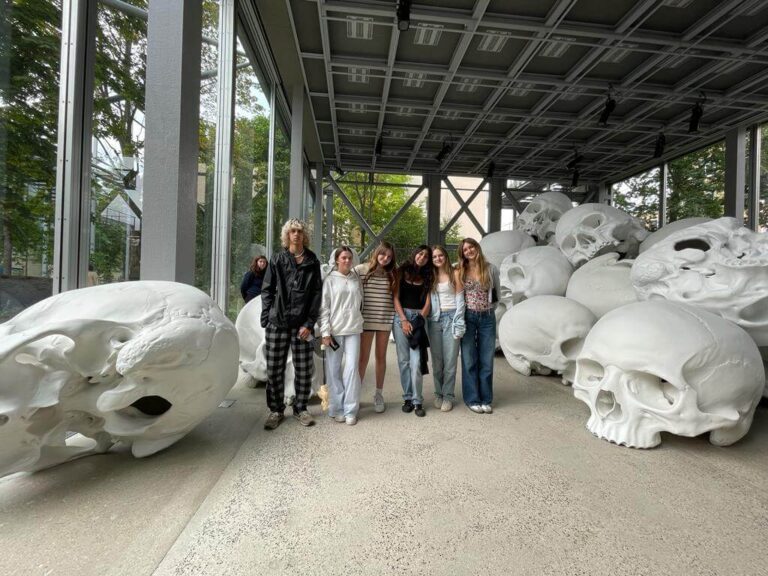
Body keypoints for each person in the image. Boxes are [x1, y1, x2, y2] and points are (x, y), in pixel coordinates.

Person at [260, 219, 322, 430]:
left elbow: (316, 294)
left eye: (300, 231)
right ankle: (276, 410)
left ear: (305, 235)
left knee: (304, 369)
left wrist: (309, 323)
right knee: (274, 369)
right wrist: (267, 316)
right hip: (277, 323)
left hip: (302, 325)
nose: (296, 234)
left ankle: (301, 408)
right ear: (287, 235)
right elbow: (267, 289)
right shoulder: (277, 258)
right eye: (292, 231)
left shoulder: (312, 261)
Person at [320, 245, 364, 425]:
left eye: (349, 257)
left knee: (352, 369)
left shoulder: (356, 279)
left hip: (353, 329)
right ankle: (336, 408)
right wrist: (325, 332)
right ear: (337, 259)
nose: (347, 260)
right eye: (343, 257)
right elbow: (324, 307)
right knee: (333, 370)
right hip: (334, 332)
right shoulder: (330, 280)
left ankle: (350, 409)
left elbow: (361, 301)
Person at [457, 237, 501, 415]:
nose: (469, 251)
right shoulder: (460, 270)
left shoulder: (491, 269)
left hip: (487, 318)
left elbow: (497, 293)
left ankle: (486, 398)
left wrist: (488, 310)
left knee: (486, 360)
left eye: (471, 247)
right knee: (468, 359)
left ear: (477, 248)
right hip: (468, 317)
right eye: (465, 249)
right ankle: (472, 399)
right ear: (463, 254)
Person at [354, 241, 397, 414]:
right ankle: (354, 394)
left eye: (389, 257)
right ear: (376, 253)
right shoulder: (360, 270)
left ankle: (379, 394)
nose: (385, 258)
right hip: (365, 321)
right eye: (382, 254)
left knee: (381, 357)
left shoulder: (393, 274)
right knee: (362, 359)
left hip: (384, 320)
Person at [393, 245, 433, 417]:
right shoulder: (401, 271)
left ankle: (418, 400)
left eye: (426, 256)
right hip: (401, 317)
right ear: (415, 253)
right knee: (404, 361)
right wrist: (403, 320)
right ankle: (408, 398)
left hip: (419, 317)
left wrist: (419, 319)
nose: (422, 257)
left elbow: (429, 301)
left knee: (416, 361)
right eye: (420, 253)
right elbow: (395, 297)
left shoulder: (429, 276)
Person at [427, 245, 465, 413]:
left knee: (450, 361)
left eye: (440, 255)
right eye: (434, 257)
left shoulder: (455, 273)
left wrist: (458, 322)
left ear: (445, 256)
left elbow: (460, 301)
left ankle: (448, 395)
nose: (437, 259)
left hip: (451, 318)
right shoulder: (431, 276)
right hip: (435, 320)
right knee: (437, 361)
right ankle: (438, 393)